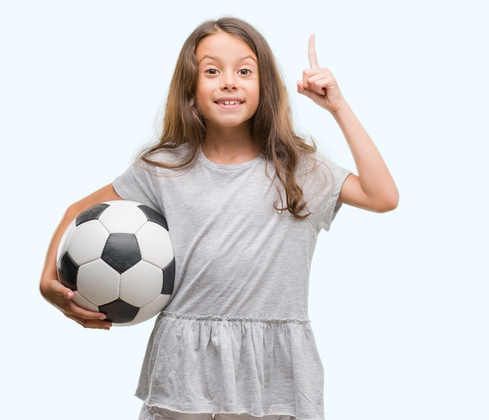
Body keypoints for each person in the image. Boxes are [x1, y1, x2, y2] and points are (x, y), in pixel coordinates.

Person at [39, 17, 398, 420]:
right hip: (185, 369)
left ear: (266, 87)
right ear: (191, 87)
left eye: (244, 71)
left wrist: (338, 107)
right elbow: (77, 213)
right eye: (212, 71)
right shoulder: (162, 168)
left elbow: (382, 196)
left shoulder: (298, 169)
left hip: (274, 373)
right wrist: (47, 283)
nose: (229, 82)